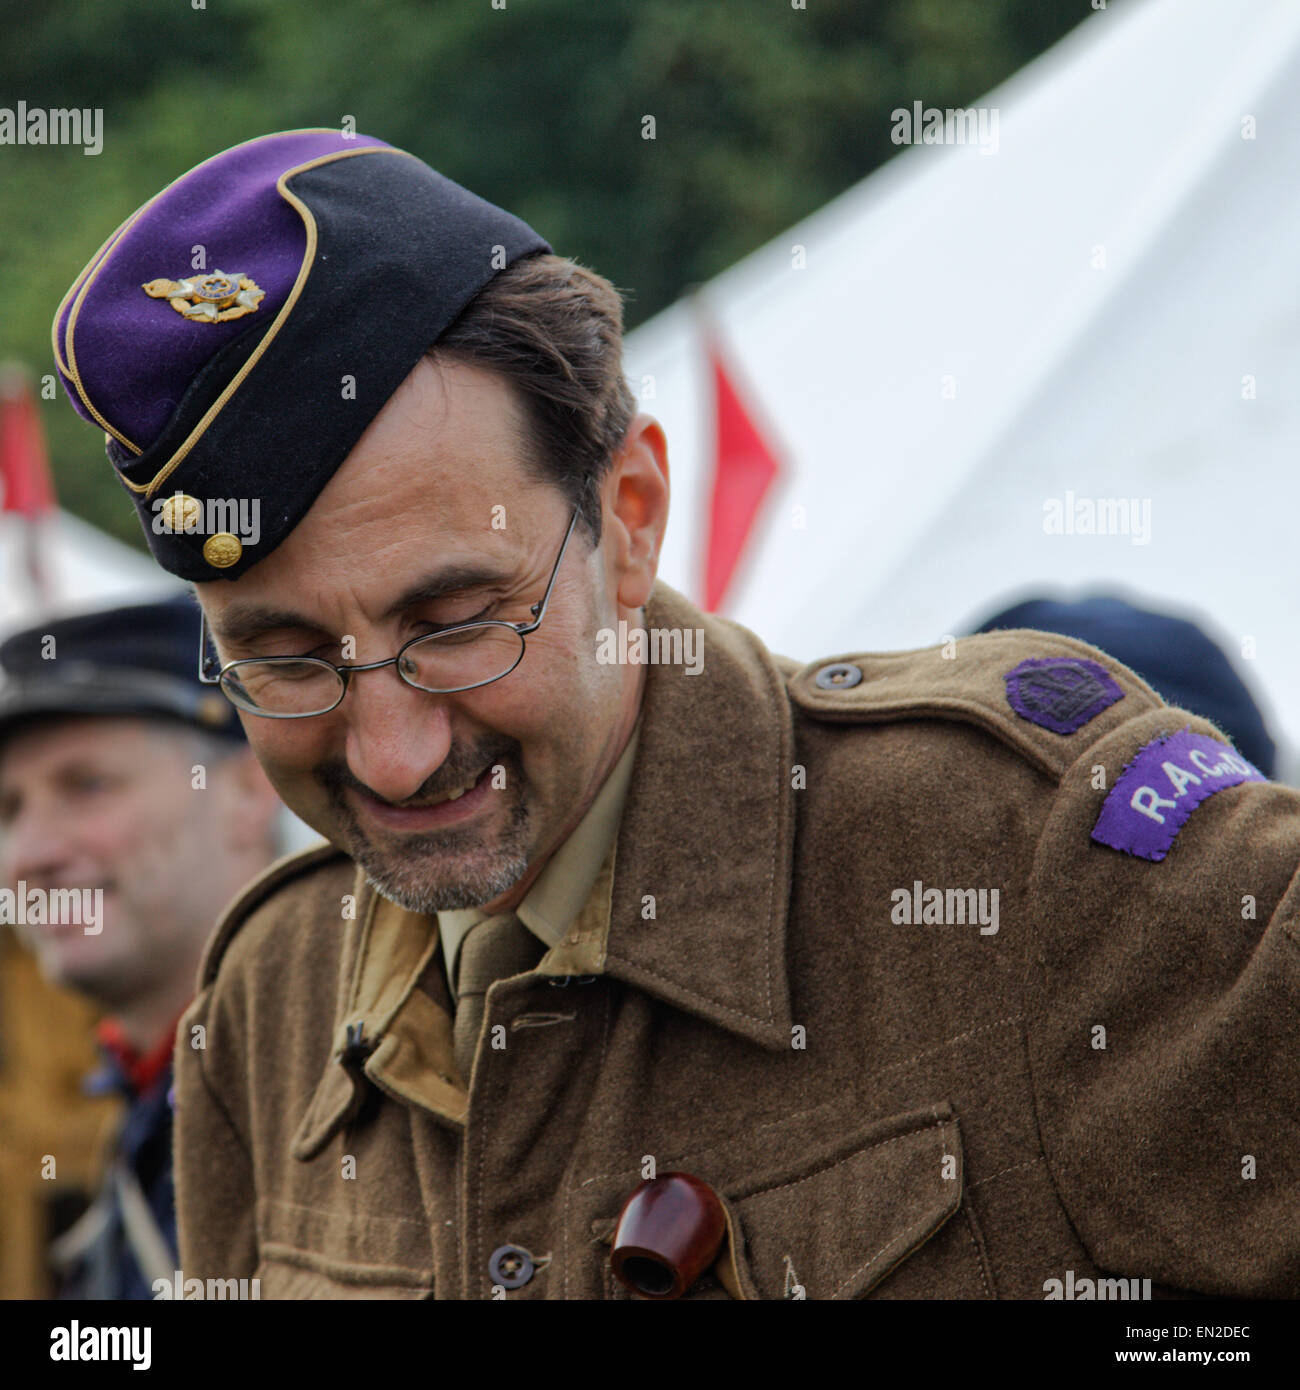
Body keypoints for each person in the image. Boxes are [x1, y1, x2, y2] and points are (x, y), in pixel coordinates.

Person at [48, 128, 1300, 1299]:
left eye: (459, 621)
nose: (394, 751)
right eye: (285, 658)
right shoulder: (265, 1002)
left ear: (631, 514)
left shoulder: (1027, 856)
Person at [0, 597, 282, 1298]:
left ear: (249, 792)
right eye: (7, 809)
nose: (29, 855)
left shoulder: (341, 1095)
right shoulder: (146, 1093)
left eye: (87, 785)